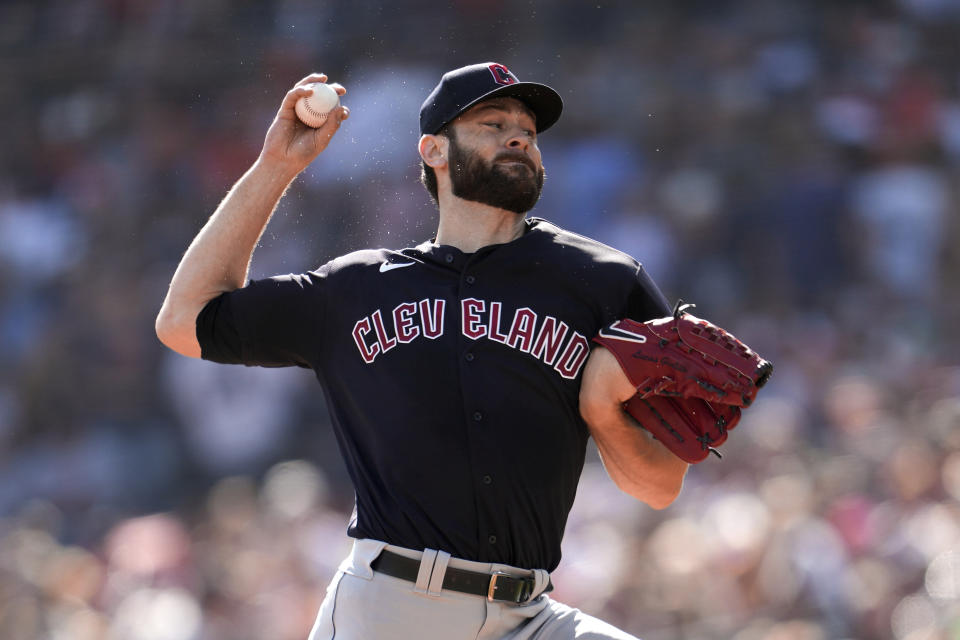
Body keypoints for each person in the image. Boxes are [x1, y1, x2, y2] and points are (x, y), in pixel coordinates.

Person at [156, 62, 689, 640]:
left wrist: (603, 412)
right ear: (434, 150)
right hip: (392, 611)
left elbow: (658, 486)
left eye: (529, 132)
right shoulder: (358, 288)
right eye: (492, 123)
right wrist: (277, 167)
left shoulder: (605, 282)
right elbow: (184, 320)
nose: (518, 136)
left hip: (529, 616)